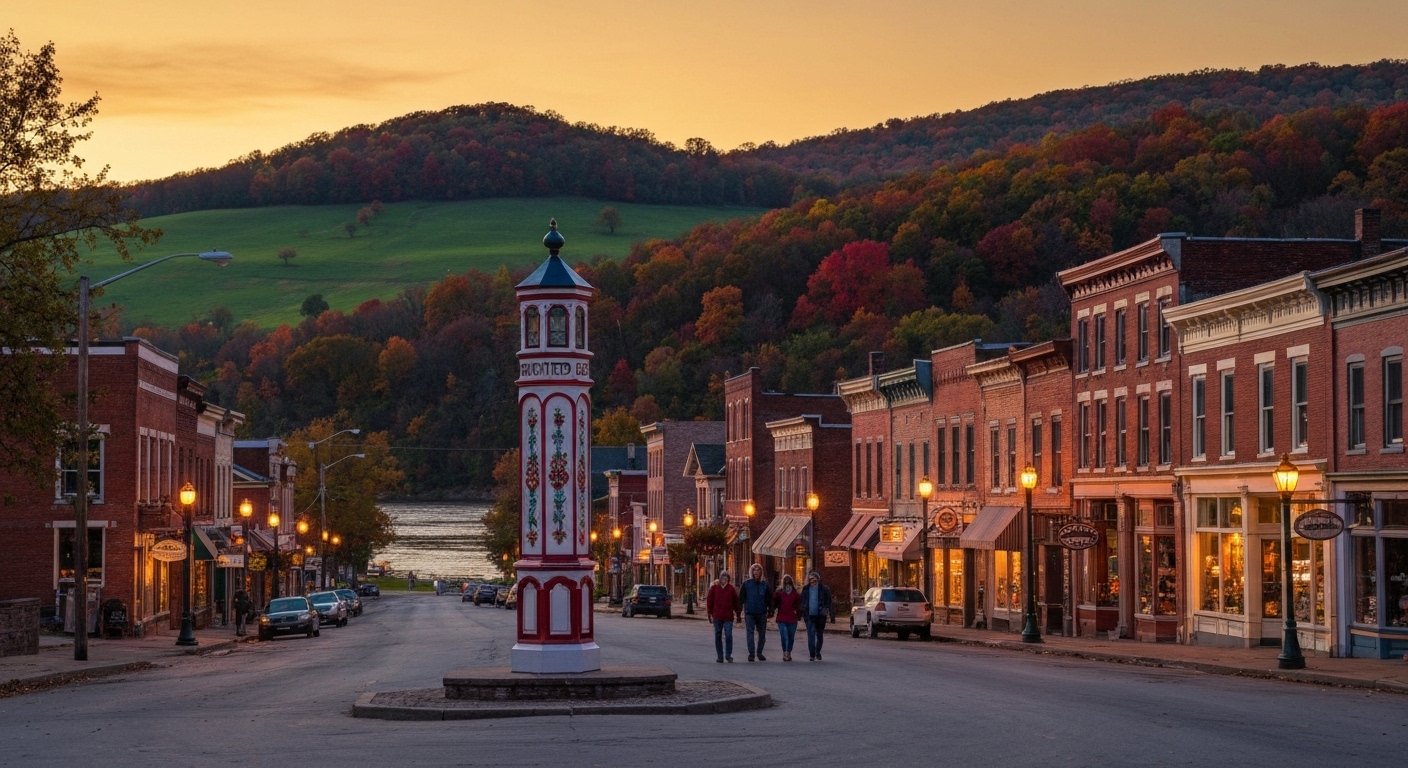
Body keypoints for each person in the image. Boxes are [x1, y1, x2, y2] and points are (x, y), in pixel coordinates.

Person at [738, 563, 773, 661]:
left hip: (761, 612)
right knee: (750, 633)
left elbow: (769, 598)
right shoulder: (747, 584)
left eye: (758, 570)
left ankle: (759, 652)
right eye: (754, 570)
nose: (756, 572)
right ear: (751, 572)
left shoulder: (765, 585)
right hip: (749, 612)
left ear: (761, 572)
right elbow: (741, 598)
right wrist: (739, 612)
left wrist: (771, 610)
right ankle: (751, 653)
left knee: (762, 633)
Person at [705, 571, 740, 663]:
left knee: (728, 635)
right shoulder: (714, 588)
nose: (724, 578)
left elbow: (736, 602)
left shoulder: (731, 589)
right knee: (718, 635)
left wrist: (738, 614)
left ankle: (728, 655)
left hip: (728, 616)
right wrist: (709, 614)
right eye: (723, 576)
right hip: (717, 616)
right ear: (720, 578)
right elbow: (709, 602)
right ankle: (720, 656)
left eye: (726, 577)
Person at [799, 571, 834, 661]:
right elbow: (802, 602)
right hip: (809, 615)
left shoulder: (824, 589)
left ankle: (817, 651)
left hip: (820, 615)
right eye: (811, 579)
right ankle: (812, 654)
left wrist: (832, 615)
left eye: (814, 579)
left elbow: (829, 602)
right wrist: (799, 614)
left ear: (818, 579)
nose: (813, 581)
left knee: (819, 634)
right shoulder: (806, 589)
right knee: (811, 634)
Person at [772, 574, 801, 661]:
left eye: (789, 583)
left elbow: (799, 605)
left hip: (792, 618)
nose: (788, 585)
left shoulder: (795, 594)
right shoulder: (779, 593)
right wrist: (772, 611)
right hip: (782, 618)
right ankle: (785, 652)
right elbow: (773, 603)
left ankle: (788, 651)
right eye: (786, 583)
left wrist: (798, 613)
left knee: (791, 637)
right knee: (785, 636)